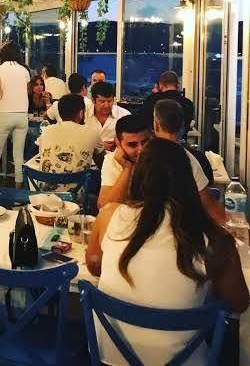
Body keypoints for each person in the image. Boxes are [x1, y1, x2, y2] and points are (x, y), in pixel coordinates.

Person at [86, 139, 248, 365]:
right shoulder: (215, 240)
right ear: (188, 180)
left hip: (109, 358)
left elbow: (94, 265)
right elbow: (239, 303)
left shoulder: (109, 216)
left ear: (138, 177)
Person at [153, 99, 224, 224]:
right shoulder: (196, 159)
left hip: (152, 224)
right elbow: (210, 206)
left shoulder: (146, 158)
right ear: (182, 126)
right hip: (188, 226)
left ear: (156, 125)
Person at [0, 41, 30, 187]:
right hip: (22, 115)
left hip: (5, 114)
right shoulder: (24, 70)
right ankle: (18, 188)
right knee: (18, 155)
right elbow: (26, 91)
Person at [97, 115, 152, 209]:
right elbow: (104, 206)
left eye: (145, 142)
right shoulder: (111, 160)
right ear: (118, 143)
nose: (141, 150)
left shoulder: (159, 157)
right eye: (132, 145)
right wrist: (127, 168)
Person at [38, 95, 103, 173]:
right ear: (81, 113)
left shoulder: (46, 131)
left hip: (44, 180)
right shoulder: (92, 133)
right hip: (80, 180)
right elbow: (102, 164)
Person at [140, 70, 194, 136]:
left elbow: (143, 121)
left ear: (160, 85)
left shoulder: (152, 100)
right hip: (179, 141)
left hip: (156, 140)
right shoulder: (188, 103)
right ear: (177, 85)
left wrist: (155, 95)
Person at [85, 81, 129, 151]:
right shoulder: (84, 114)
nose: (106, 105)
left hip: (115, 156)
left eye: (109, 101)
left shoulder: (124, 115)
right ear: (93, 100)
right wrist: (97, 146)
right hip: (87, 155)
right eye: (102, 101)